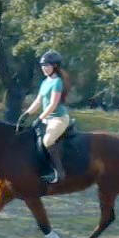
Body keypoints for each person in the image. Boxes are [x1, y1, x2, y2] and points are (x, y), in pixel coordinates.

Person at [18, 50, 71, 184]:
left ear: (55, 67)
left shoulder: (57, 82)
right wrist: (26, 115)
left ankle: (59, 172)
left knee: (47, 141)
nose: (44, 68)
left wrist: (40, 118)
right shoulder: (45, 82)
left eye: (47, 65)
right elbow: (38, 101)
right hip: (47, 118)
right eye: (42, 66)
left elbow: (53, 104)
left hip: (58, 119)